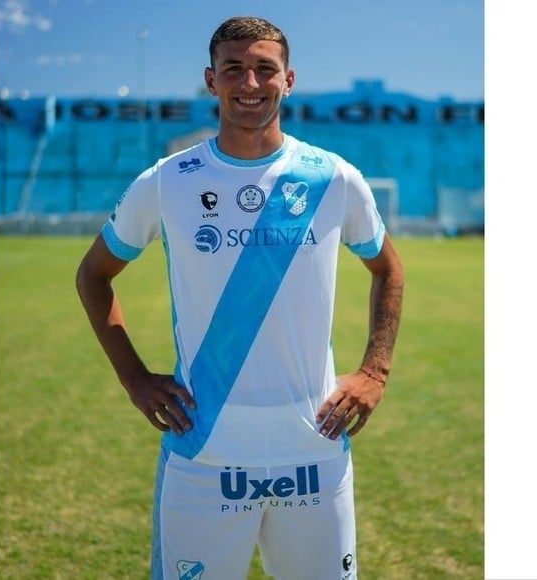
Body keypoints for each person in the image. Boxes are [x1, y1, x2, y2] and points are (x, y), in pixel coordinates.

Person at [76, 15, 404, 579]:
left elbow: (389, 269)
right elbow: (93, 275)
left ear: (288, 80)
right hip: (204, 453)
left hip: (315, 450)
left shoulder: (332, 178)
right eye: (233, 69)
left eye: (264, 69)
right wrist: (134, 378)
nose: (249, 83)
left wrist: (375, 370)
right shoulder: (168, 180)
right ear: (211, 80)